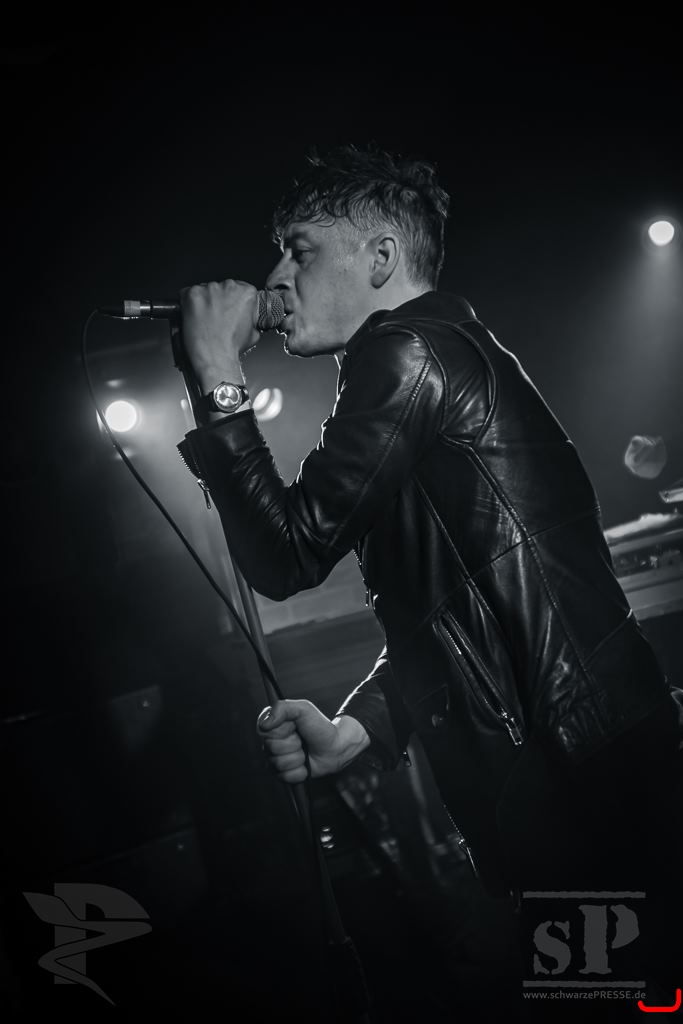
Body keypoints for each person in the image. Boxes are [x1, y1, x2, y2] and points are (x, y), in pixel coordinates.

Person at [178, 145, 682, 1007]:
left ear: (380, 257)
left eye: (299, 251)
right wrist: (360, 728)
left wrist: (220, 381)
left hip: (576, 788)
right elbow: (455, 609)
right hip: (591, 772)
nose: (275, 280)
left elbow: (287, 555)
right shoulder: (440, 355)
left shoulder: (406, 352)